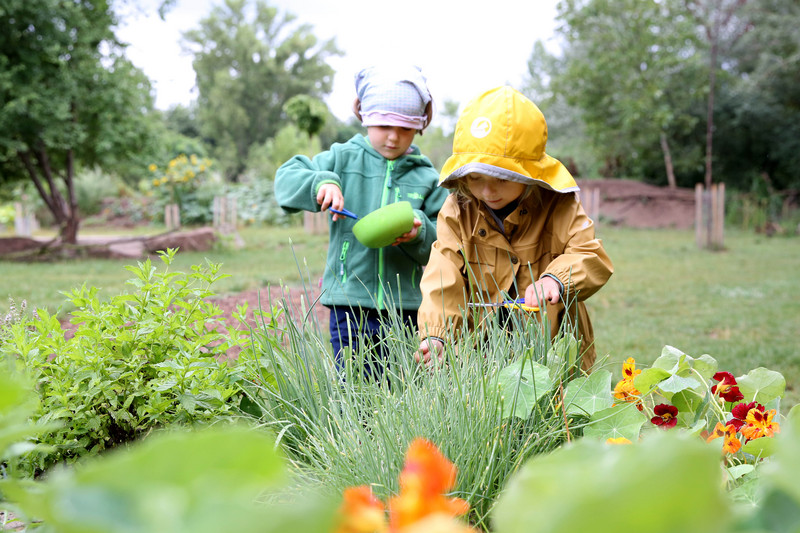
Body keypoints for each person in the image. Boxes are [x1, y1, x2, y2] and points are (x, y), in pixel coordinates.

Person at [416, 86, 613, 371]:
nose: (487, 191)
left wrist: (555, 279)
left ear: (529, 174)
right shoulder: (458, 208)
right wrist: (437, 334)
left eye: (502, 178)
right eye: (474, 178)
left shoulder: (559, 205)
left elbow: (591, 257)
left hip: (553, 349)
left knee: (554, 412)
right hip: (482, 349)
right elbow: (442, 272)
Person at [275, 65, 448, 377]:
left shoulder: (427, 177)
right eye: (383, 125)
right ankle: (354, 429)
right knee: (354, 385)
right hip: (348, 301)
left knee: (400, 387)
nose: (394, 137)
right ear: (365, 116)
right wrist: (322, 183)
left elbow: (445, 245)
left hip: (405, 307)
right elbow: (286, 180)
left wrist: (419, 234)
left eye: (405, 128)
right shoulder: (342, 158)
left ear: (420, 126)